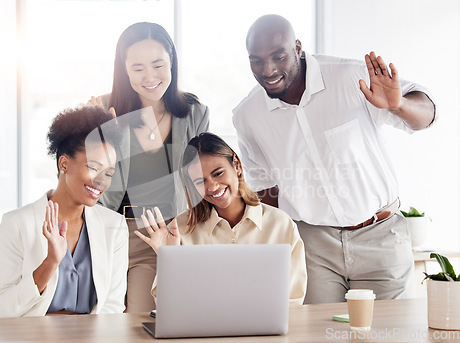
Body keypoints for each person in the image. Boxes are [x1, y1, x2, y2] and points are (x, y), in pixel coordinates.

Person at [232, 14, 436, 304]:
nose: (268, 69)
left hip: (380, 235)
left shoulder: (350, 77)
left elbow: (426, 114)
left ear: (298, 48)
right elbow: (266, 191)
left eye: (278, 56)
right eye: (256, 60)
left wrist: (399, 104)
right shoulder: (248, 115)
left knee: (392, 332)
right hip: (312, 246)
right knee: (319, 333)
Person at [91, 22, 209, 312]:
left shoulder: (194, 113)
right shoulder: (102, 109)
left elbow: (200, 184)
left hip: (157, 236)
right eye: (138, 68)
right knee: (96, 326)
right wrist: (106, 133)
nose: (150, 77)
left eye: (158, 65)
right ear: (124, 69)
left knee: (140, 322)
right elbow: (88, 180)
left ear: (172, 63)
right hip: (106, 234)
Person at [0, 105, 128, 317]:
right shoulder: (17, 223)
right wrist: (49, 263)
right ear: (64, 163)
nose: (101, 181)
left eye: (109, 172)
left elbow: (113, 308)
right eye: (94, 167)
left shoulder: (114, 227)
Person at [135, 132, 307, 306]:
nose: (213, 186)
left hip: (266, 330)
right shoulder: (180, 229)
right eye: (200, 181)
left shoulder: (281, 224)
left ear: (237, 165)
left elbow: (293, 300)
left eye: (218, 173)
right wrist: (170, 258)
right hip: (202, 330)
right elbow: (168, 306)